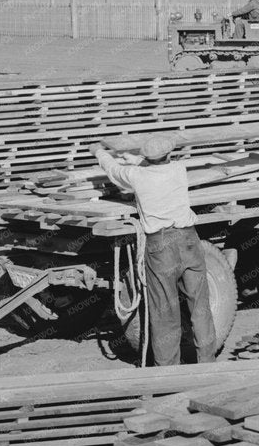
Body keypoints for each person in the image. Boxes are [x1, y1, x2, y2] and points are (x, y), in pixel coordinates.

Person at [91, 134, 217, 366]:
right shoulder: (179, 169)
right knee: (199, 306)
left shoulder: (136, 176)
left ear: (148, 158)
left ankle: (168, 372)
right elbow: (149, 165)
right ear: (169, 155)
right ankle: (207, 363)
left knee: (164, 311)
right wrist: (132, 157)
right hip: (189, 239)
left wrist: (99, 152)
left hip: (161, 246)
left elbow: (115, 172)